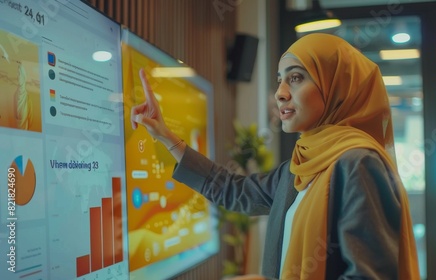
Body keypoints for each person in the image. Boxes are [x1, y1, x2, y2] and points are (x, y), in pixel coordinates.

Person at [131, 33, 420, 280]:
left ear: (336, 88)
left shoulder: (359, 163)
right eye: (281, 80)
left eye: (296, 78)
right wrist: (166, 136)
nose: (280, 93)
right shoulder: (301, 163)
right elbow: (236, 191)